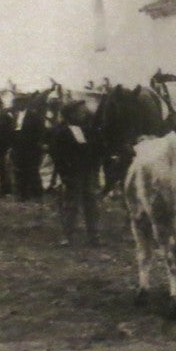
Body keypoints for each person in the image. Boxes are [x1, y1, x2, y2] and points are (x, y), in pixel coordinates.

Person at [48, 98, 101, 247]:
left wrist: (93, 166)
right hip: (72, 174)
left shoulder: (88, 130)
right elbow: (57, 155)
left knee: (91, 205)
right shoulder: (61, 132)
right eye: (80, 111)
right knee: (71, 205)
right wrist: (64, 173)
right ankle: (67, 236)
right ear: (71, 114)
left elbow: (95, 150)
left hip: (87, 172)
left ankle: (94, 236)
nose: (84, 114)